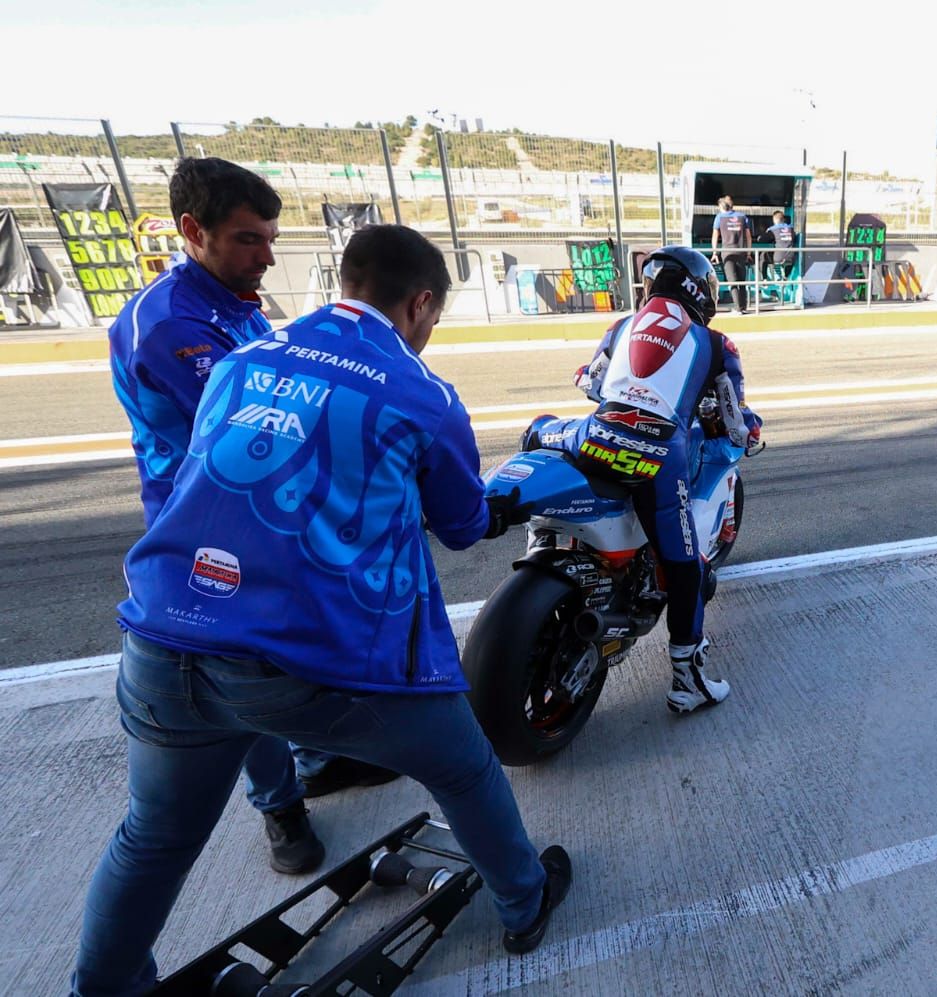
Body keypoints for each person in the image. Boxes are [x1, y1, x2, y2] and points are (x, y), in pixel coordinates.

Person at [73, 226, 571, 997]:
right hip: (308, 660)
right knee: (465, 766)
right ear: (421, 303)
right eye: (432, 317)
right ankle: (524, 898)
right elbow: (464, 524)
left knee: (154, 838)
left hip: (161, 634)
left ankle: (100, 988)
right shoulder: (422, 393)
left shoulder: (241, 359)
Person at [109, 158, 395, 808]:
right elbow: (251, 434)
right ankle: (281, 806)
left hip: (257, 509)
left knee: (276, 650)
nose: (267, 256)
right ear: (192, 230)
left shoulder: (234, 300)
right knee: (237, 662)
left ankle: (318, 757)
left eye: (271, 237)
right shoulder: (168, 326)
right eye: (249, 239)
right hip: (202, 526)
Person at [522, 246, 760, 713]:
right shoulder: (716, 344)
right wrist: (750, 429)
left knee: (538, 428)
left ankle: (538, 541)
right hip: (657, 455)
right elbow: (734, 423)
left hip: (592, 437)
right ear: (700, 290)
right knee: (687, 565)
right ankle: (687, 679)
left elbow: (591, 383)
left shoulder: (619, 327)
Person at [709, 195, 753, 314]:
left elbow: (715, 236)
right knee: (742, 280)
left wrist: (714, 252)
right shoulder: (742, 217)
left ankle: (738, 308)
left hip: (727, 253)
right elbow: (749, 237)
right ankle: (743, 307)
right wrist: (748, 252)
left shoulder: (719, 217)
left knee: (732, 281)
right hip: (741, 252)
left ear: (721, 206)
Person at [760, 209, 799, 282]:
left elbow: (762, 239)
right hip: (791, 257)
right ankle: (785, 277)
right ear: (783, 219)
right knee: (787, 262)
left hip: (778, 257)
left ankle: (764, 279)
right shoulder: (790, 228)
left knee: (763, 256)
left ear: (774, 220)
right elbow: (793, 238)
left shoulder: (773, 229)